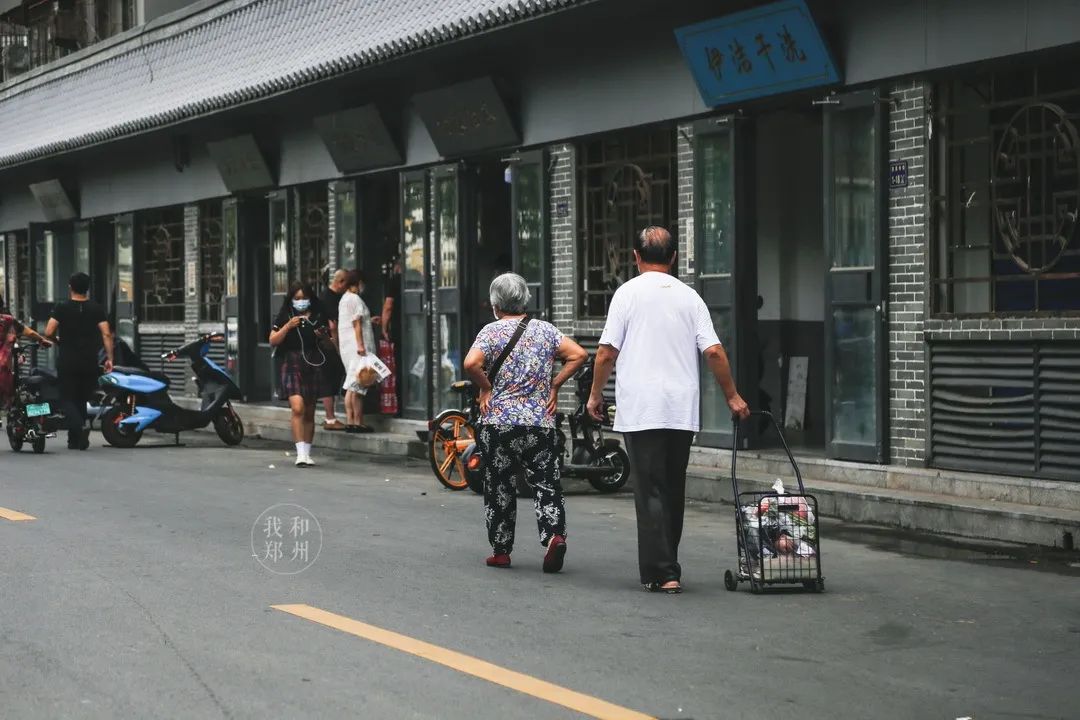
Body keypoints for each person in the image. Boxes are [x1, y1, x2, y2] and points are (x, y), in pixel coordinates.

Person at [587, 226, 749, 594]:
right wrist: (733, 397)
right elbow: (714, 352)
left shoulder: (626, 295)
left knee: (650, 490)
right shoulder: (690, 298)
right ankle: (668, 565)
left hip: (641, 408)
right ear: (674, 258)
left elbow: (606, 352)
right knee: (673, 487)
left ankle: (662, 572)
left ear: (636, 256)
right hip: (680, 408)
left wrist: (596, 395)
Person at [463, 273, 587, 572]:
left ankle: (502, 551)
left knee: (499, 484)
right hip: (539, 422)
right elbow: (579, 355)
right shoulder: (546, 331)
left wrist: (487, 387)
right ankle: (554, 536)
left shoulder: (490, 332)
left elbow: (471, 364)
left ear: (496, 304)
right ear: (525, 300)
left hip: (499, 422)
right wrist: (554, 386)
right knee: (546, 482)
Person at [44, 273, 114, 450]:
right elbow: (106, 333)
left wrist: (58, 341)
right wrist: (110, 358)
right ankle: (76, 440)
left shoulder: (62, 307)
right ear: (87, 288)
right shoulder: (96, 308)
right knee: (81, 399)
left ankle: (80, 427)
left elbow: (49, 331)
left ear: (70, 287)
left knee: (66, 398)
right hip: (89, 360)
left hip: (68, 359)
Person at [270, 282, 335, 468]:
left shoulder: (318, 316)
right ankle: (299, 453)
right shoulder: (285, 315)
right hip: (292, 361)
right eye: (297, 298)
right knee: (297, 407)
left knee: (310, 410)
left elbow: (330, 346)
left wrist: (323, 336)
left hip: (313, 361)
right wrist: (288, 326)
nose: (301, 302)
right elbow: (273, 340)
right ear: (291, 300)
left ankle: (307, 452)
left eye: (304, 298)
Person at [338, 269, 377, 433]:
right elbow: (357, 324)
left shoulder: (345, 298)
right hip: (357, 348)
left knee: (352, 385)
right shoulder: (355, 299)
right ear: (358, 282)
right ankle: (357, 421)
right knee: (358, 385)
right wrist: (361, 345)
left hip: (348, 347)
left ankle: (351, 420)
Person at [0, 295, 54, 409]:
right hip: (6, 371)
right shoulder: (8, 320)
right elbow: (28, 332)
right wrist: (42, 340)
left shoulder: (8, 321)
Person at [318, 269, 348, 431]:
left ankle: (330, 417)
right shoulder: (328, 298)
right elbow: (333, 325)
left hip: (325, 343)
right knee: (329, 380)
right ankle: (330, 418)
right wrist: (337, 346)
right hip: (327, 344)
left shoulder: (327, 296)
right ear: (340, 282)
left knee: (332, 378)